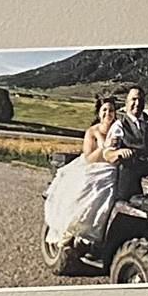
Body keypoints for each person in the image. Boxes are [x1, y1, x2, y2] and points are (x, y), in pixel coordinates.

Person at [41, 94, 125, 264]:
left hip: (114, 166)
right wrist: (104, 148)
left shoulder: (119, 129)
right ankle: (73, 234)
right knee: (91, 190)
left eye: (111, 110)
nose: (108, 113)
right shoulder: (93, 131)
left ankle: (102, 239)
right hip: (94, 166)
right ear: (99, 112)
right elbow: (89, 158)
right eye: (105, 110)